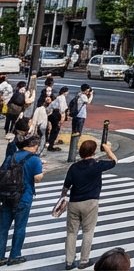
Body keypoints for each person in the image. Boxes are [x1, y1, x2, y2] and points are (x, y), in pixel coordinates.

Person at [61, 137, 119, 269]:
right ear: (93, 152)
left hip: (74, 202)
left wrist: (62, 199)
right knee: (88, 231)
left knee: (71, 232)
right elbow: (114, 161)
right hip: (90, 202)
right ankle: (83, 260)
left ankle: (69, 261)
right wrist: (108, 150)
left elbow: (66, 186)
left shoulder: (74, 167)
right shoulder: (97, 165)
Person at [0, 134, 44, 264]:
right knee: (19, 227)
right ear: (33, 145)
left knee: (3, 228)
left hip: (7, 196)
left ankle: (0, 255)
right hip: (23, 197)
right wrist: (42, 171)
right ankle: (14, 255)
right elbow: (37, 178)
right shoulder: (35, 160)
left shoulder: (11, 156)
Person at [47, 86, 68, 151]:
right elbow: (62, 109)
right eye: (67, 91)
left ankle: (50, 143)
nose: (67, 93)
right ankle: (51, 145)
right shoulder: (61, 98)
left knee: (54, 129)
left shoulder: (59, 97)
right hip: (56, 114)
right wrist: (62, 118)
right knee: (55, 130)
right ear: (65, 92)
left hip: (53, 114)